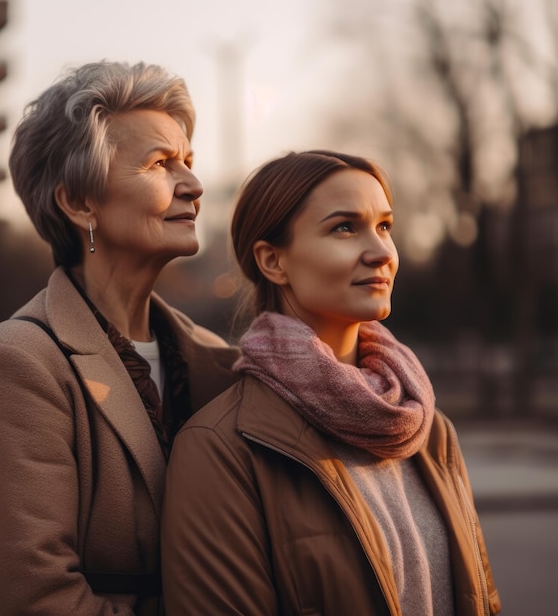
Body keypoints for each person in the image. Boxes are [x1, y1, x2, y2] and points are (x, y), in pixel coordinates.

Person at [0, 60, 241, 615]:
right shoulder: (15, 367)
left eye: (189, 162)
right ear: (79, 202)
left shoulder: (219, 364)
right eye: (160, 163)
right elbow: (26, 598)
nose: (194, 185)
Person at [161, 150, 502, 615]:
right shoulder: (220, 449)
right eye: (345, 227)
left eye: (385, 226)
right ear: (273, 262)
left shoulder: (428, 429)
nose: (382, 252)